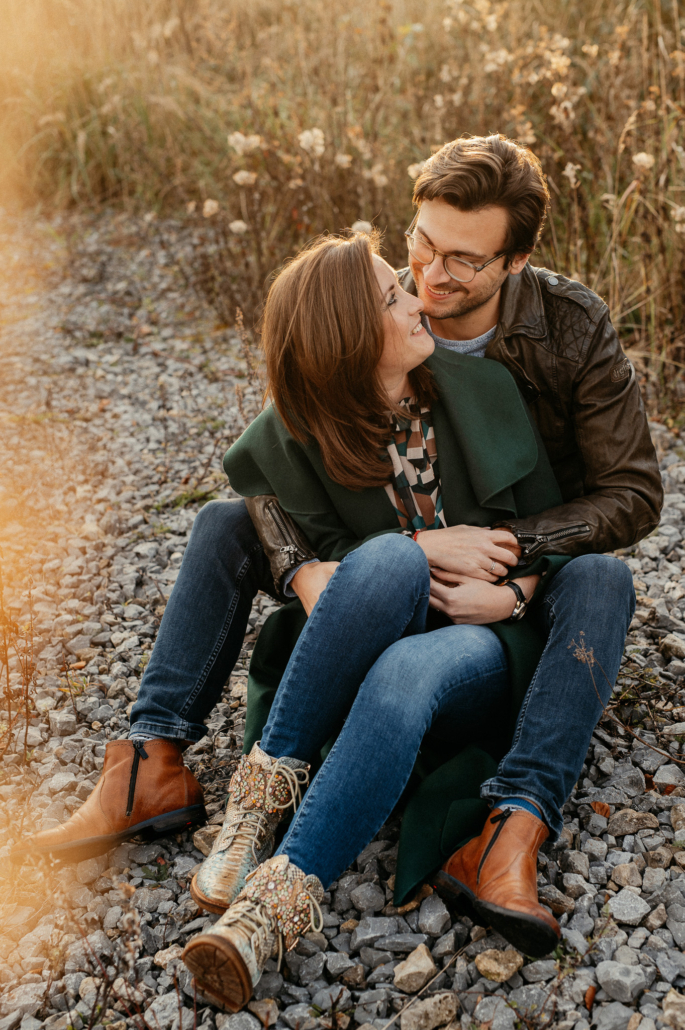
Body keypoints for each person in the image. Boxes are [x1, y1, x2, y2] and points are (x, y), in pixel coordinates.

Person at [12, 134, 657, 950]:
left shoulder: (555, 336)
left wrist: (510, 563)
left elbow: (631, 495)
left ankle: (499, 832)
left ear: (516, 260)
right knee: (227, 524)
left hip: (506, 588)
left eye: (463, 259)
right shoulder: (355, 319)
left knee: (576, 584)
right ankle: (151, 761)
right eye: (419, 245)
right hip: (381, 577)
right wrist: (302, 569)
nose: (428, 278)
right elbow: (265, 470)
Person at [174, 230, 636, 1011]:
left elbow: (553, 531)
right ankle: (257, 838)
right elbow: (251, 491)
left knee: (420, 658)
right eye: (394, 295)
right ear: (353, 342)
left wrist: (515, 595)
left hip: (476, 646)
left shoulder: (478, 390)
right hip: (367, 634)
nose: (418, 294)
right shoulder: (315, 424)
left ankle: (268, 910)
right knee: (391, 563)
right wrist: (321, 562)